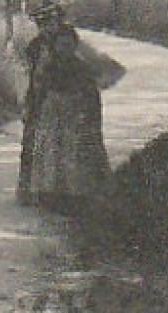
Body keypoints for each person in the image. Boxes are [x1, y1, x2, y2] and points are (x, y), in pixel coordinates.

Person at [25, 28, 111, 215]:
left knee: (72, 154)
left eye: (69, 45)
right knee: (50, 152)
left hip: (73, 114)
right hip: (52, 115)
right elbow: (39, 92)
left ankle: (73, 196)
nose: (64, 49)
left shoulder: (81, 68)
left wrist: (88, 116)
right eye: (61, 45)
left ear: (75, 46)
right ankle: (48, 193)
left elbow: (91, 94)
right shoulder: (48, 67)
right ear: (55, 47)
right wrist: (35, 112)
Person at [17, 0, 80, 205]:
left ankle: (60, 191)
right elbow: (32, 76)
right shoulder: (35, 47)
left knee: (62, 144)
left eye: (50, 23)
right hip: (39, 98)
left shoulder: (64, 43)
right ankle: (29, 189)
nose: (46, 28)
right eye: (42, 24)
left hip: (60, 98)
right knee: (33, 143)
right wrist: (27, 101)